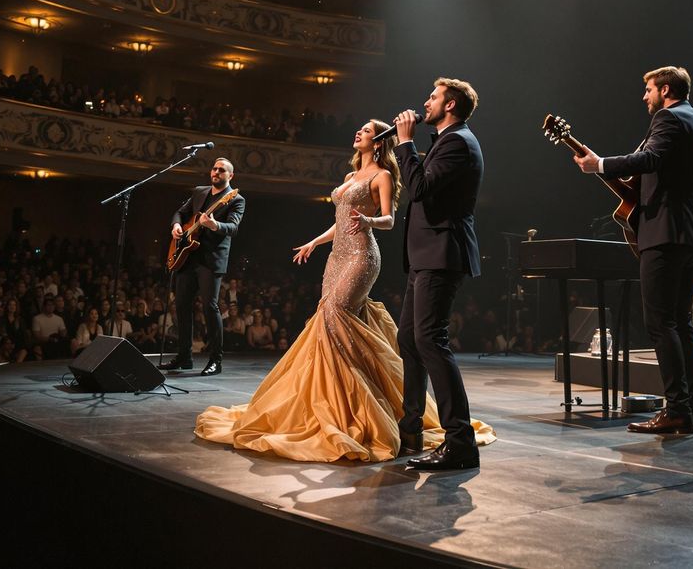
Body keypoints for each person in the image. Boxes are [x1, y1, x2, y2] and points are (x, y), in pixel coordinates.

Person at [195, 119, 494, 462]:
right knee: (329, 318)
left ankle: (362, 401)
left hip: (362, 256)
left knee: (336, 312)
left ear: (379, 142)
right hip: (338, 255)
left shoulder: (381, 175)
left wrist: (368, 222)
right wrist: (314, 242)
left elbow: (389, 219)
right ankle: (340, 399)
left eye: (366, 131)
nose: (359, 133)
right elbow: (339, 222)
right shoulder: (350, 178)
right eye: (360, 129)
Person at [573, 66, 693, 435]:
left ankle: (676, 410)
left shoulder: (668, 118)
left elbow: (649, 159)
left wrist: (599, 164)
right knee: (681, 323)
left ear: (665, 89)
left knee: (660, 322)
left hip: (664, 234)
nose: (644, 97)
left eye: (648, 89)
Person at [393, 78, 489, 470]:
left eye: (432, 97)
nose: (425, 103)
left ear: (449, 105)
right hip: (425, 256)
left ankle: (460, 441)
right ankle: (411, 426)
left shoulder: (458, 142)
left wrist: (404, 144)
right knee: (409, 338)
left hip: (441, 254)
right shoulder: (445, 141)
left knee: (430, 340)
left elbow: (418, 190)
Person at [159, 158, 246, 376]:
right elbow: (180, 212)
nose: (216, 172)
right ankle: (184, 357)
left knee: (210, 307)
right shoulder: (199, 192)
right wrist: (177, 225)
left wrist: (213, 224)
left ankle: (216, 360)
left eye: (222, 170)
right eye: (214, 168)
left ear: (230, 176)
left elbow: (233, 228)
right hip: (188, 255)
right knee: (181, 305)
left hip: (211, 260)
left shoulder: (235, 199)